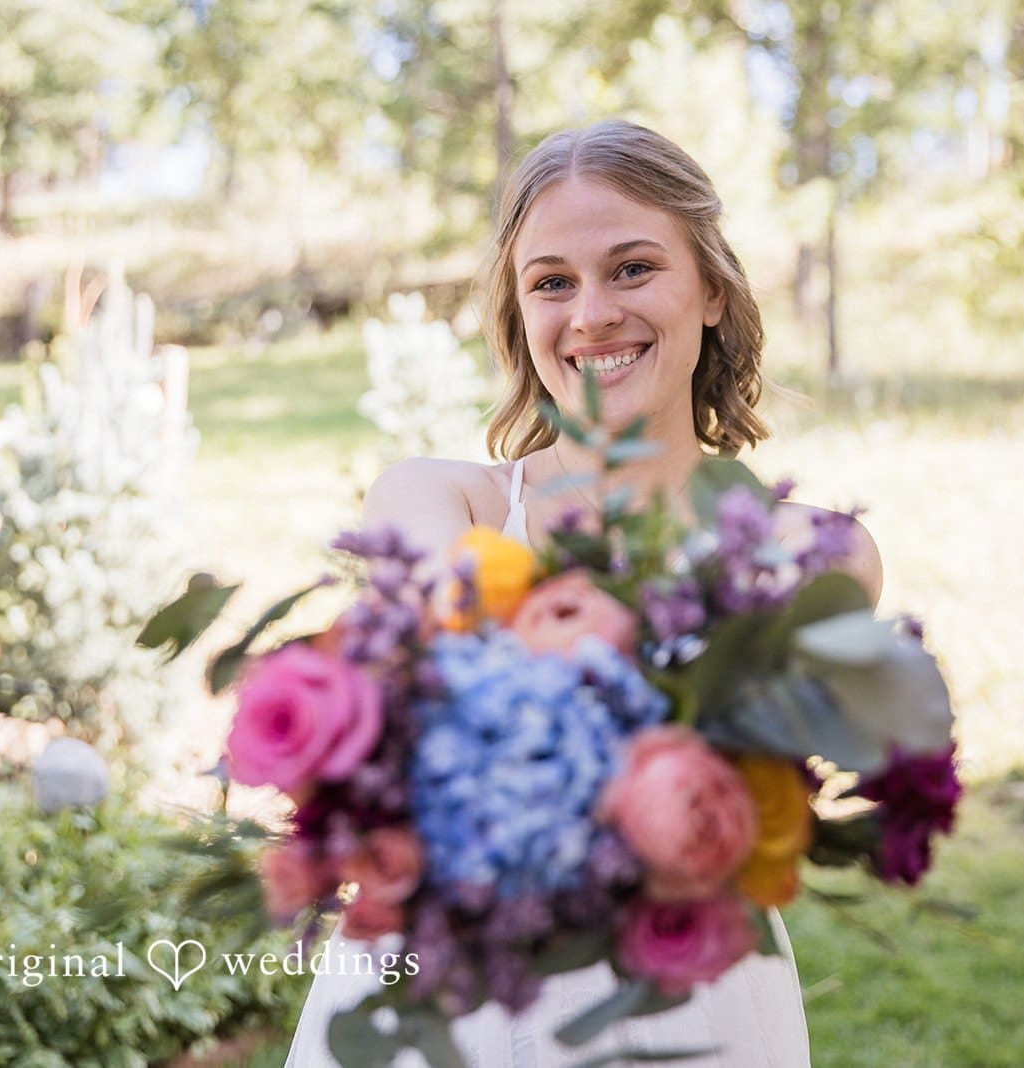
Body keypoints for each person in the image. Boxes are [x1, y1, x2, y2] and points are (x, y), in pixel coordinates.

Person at [286, 119, 882, 1067]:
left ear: (714, 291)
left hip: (686, 1001)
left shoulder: (816, 552)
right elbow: (456, 630)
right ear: (521, 316)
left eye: (633, 268)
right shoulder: (441, 500)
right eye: (552, 282)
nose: (591, 313)